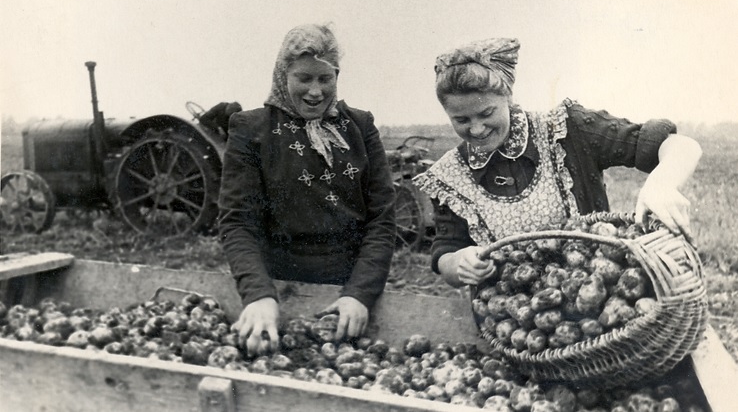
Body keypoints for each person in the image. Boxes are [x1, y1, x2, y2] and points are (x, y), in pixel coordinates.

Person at [413, 37, 702, 289]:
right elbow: (446, 253)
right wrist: (458, 263)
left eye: (487, 113)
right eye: (461, 120)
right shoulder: (450, 176)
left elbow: (681, 146)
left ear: (507, 97)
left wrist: (662, 185)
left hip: (595, 310)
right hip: (516, 329)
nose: (476, 129)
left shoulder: (568, 130)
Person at [218, 24, 396, 356]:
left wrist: (358, 294)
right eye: (304, 78)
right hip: (278, 291)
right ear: (282, 74)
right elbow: (237, 222)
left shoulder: (360, 127)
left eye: (325, 79)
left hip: (346, 293)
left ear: (337, 77)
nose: (315, 92)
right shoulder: (251, 129)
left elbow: (382, 219)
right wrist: (259, 295)